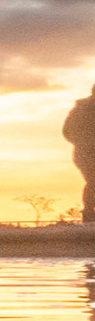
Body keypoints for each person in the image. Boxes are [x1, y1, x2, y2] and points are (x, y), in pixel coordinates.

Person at [64, 84, 95, 220]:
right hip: (86, 153)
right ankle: (88, 215)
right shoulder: (82, 110)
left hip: (83, 152)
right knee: (93, 180)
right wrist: (84, 143)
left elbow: (67, 132)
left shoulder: (79, 109)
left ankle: (88, 215)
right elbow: (67, 131)